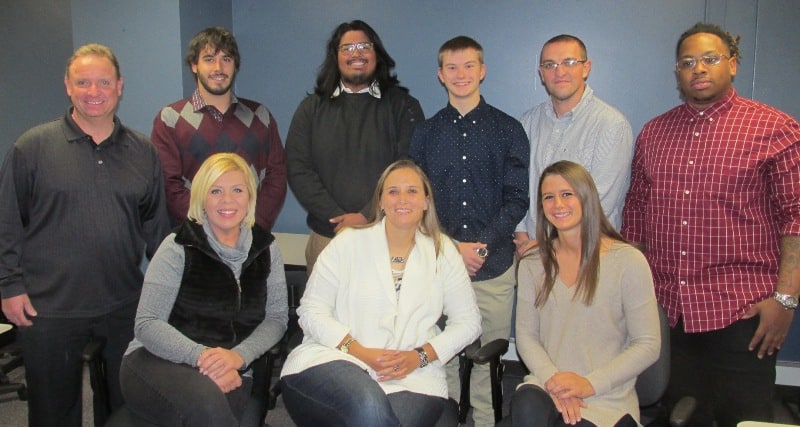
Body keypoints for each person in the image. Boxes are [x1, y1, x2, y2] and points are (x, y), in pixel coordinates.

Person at [621, 22, 800, 426]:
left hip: (742, 314)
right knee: (682, 416)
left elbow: (796, 218)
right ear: (677, 73)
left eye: (710, 59)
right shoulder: (654, 133)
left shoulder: (775, 129)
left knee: (744, 417)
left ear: (732, 65)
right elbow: (635, 218)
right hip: (669, 313)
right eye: (687, 62)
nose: (698, 69)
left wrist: (786, 300)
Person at [0, 44, 171, 427]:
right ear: (67, 87)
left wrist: (166, 293)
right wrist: (9, 285)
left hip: (123, 303)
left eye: (103, 82)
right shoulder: (32, 147)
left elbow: (158, 232)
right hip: (49, 307)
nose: (94, 91)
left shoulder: (143, 152)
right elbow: (6, 222)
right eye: (83, 82)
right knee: (52, 412)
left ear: (119, 86)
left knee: (126, 409)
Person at [279, 159, 481, 427]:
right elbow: (311, 311)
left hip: (412, 375)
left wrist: (419, 356)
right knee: (369, 407)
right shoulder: (348, 242)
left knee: (381, 419)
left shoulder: (442, 250)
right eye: (393, 191)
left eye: (412, 191)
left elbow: (469, 322)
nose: (402, 199)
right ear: (381, 201)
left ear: (425, 201)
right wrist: (361, 351)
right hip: (337, 358)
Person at [410, 36, 529, 427]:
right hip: (438, 267)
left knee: (486, 360)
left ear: (483, 70)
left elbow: (517, 198)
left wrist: (479, 248)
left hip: (492, 268)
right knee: (440, 356)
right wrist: (451, 248)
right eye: (452, 67)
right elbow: (416, 201)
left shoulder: (508, 129)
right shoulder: (425, 134)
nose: (461, 75)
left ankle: (485, 421)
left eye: (469, 66)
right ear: (440, 75)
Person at [119, 152, 288, 426]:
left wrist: (237, 356)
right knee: (208, 406)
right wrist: (204, 358)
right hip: (157, 362)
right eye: (216, 191)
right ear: (201, 198)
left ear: (250, 197)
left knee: (216, 410)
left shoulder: (267, 249)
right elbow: (147, 324)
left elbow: (277, 319)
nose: (227, 200)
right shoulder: (178, 246)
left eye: (237, 190)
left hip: (233, 368)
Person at [504, 160, 660, 427]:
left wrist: (588, 384)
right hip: (546, 384)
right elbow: (527, 337)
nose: (558, 205)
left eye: (567, 194)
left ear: (586, 198)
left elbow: (647, 344)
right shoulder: (532, 262)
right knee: (525, 408)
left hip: (605, 395)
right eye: (548, 197)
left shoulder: (628, 261)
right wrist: (554, 380)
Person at [286, 19, 424, 273]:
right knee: (324, 312)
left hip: (388, 237)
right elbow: (298, 169)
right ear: (335, 57)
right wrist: (340, 220)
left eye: (364, 46)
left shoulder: (403, 106)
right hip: (328, 238)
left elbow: (409, 168)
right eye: (347, 48)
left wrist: (366, 215)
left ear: (376, 53)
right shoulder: (311, 109)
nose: (356, 53)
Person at [152, 26, 287, 231]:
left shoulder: (260, 116)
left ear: (235, 66)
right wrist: (209, 231)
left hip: (250, 241)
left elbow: (276, 178)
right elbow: (168, 185)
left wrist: (254, 228)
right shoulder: (170, 119)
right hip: (194, 243)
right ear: (194, 65)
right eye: (209, 59)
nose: (218, 68)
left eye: (226, 59)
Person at [514, 34, 633, 257]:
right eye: (550, 65)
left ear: (586, 68)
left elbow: (600, 204)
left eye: (569, 62)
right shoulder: (527, 123)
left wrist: (548, 247)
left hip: (587, 257)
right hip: (532, 253)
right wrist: (521, 234)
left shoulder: (611, 125)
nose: (559, 72)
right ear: (541, 73)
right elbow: (517, 186)